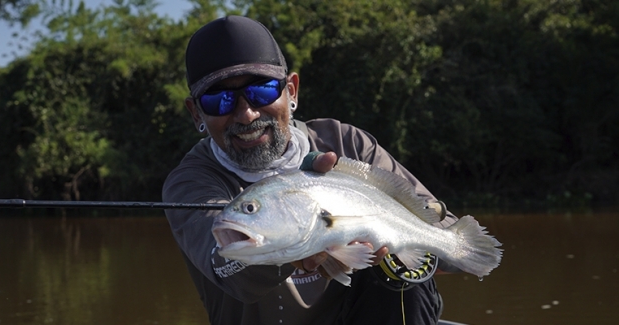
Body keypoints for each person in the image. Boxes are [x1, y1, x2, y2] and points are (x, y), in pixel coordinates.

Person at [163, 15, 459, 325]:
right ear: (195, 111)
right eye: (219, 100)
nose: (247, 114)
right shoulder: (191, 182)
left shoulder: (347, 144)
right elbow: (226, 268)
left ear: (291, 90)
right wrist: (300, 242)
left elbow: (449, 239)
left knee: (399, 276)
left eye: (262, 91)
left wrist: (406, 231)